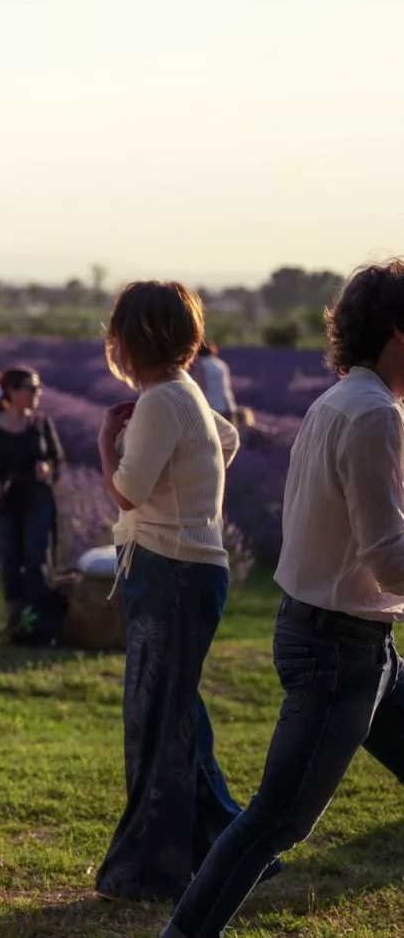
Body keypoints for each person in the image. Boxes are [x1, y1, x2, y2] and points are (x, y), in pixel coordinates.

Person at [164, 261, 404, 938]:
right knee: (275, 819)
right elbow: (387, 556)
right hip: (338, 650)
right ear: (397, 331)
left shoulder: (343, 402)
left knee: (273, 818)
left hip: (357, 643)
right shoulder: (372, 414)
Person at [92, 281, 249, 903]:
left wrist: (106, 442)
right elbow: (228, 441)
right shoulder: (184, 392)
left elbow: (127, 490)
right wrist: (191, 485)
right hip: (188, 567)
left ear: (132, 338)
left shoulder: (160, 401)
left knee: (157, 722)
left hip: (171, 570)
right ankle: (235, 848)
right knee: (177, 715)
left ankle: (150, 873)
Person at [0, 366, 66, 645]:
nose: (37, 393)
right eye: (31, 388)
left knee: (36, 559)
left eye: (38, 388)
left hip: (37, 500)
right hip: (3, 503)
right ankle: (15, 623)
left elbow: (57, 458)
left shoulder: (41, 423)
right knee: (10, 561)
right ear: (12, 391)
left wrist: (48, 467)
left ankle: (39, 627)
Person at [193, 341, 238, 421]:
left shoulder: (202, 365)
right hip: (228, 405)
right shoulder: (222, 364)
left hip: (213, 407)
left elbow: (201, 386)